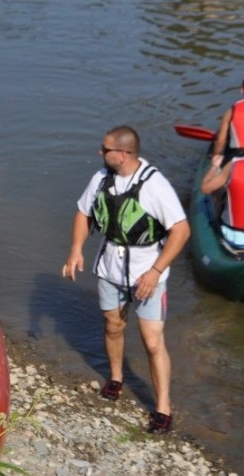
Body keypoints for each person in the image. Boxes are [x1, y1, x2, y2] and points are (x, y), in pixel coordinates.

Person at [62, 126, 190, 434]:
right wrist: (76, 250)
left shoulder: (154, 186)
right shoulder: (100, 179)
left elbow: (181, 230)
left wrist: (156, 271)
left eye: (105, 149)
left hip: (148, 273)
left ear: (123, 154)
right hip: (110, 270)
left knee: (152, 340)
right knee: (113, 326)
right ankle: (116, 378)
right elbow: (83, 213)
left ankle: (162, 407)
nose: (100, 153)